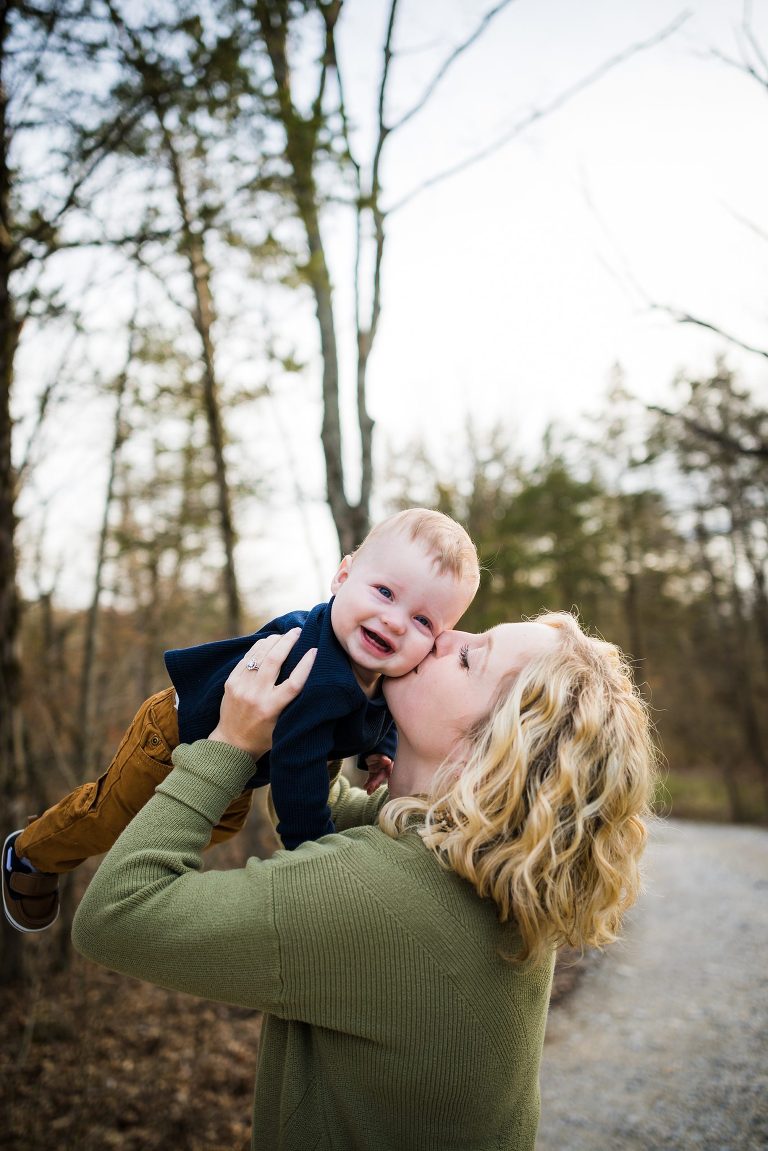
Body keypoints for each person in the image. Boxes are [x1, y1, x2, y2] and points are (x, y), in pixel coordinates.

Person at [72, 611, 657, 1151]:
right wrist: (321, 702)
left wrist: (226, 744)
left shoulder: (377, 897)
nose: (443, 637)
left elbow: (118, 914)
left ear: (492, 751)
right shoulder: (498, 864)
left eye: (467, 657)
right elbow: (327, 817)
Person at [2, 508, 480, 933]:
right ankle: (30, 852)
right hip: (173, 736)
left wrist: (382, 749)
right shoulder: (315, 671)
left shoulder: (380, 666)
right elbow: (298, 777)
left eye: (422, 621)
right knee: (111, 817)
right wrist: (314, 853)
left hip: (238, 765)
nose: (395, 621)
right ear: (342, 577)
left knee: (220, 828)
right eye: (384, 591)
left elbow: (381, 706)